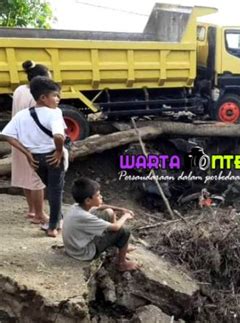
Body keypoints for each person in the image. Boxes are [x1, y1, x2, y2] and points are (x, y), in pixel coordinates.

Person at [1, 76, 66, 237]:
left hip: (35, 159)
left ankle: (58, 218)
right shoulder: (55, 113)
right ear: (43, 98)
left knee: (51, 188)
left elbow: (7, 135)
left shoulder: (23, 114)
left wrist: (27, 153)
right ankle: (53, 227)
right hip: (53, 157)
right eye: (55, 95)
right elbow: (59, 136)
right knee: (56, 191)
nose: (58, 99)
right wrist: (58, 151)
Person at [62, 178, 139, 271]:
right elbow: (116, 227)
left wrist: (121, 209)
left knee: (109, 212)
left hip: (74, 247)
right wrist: (126, 216)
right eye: (98, 195)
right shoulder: (83, 217)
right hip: (84, 252)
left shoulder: (77, 207)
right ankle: (121, 263)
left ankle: (120, 246)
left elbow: (100, 207)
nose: (101, 197)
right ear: (88, 201)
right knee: (125, 231)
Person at [10, 60, 51, 225]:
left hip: (18, 138)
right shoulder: (37, 97)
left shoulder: (20, 89)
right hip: (32, 141)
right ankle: (40, 214)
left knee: (25, 175)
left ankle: (32, 210)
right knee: (37, 179)